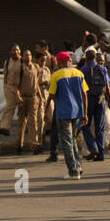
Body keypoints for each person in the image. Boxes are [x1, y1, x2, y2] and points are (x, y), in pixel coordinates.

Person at [48, 51, 89, 180]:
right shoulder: (79, 73)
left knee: (66, 142)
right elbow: (84, 95)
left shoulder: (56, 75)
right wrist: (85, 113)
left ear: (59, 62)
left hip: (63, 112)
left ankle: (73, 171)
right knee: (72, 140)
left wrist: (45, 109)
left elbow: (52, 95)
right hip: (77, 111)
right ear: (69, 61)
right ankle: (78, 166)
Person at [80, 47, 110, 163]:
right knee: (100, 127)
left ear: (86, 59)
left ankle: (93, 148)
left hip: (88, 99)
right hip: (101, 99)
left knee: (84, 125)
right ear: (95, 58)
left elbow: (81, 88)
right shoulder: (102, 69)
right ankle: (101, 154)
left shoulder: (84, 69)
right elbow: (107, 86)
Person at [14, 49, 44, 154]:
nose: (28, 57)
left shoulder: (36, 67)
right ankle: (19, 145)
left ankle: (34, 145)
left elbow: (36, 84)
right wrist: (18, 97)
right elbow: (16, 86)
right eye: (26, 55)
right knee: (22, 122)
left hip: (33, 97)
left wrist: (40, 97)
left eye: (30, 54)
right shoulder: (20, 68)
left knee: (34, 122)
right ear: (22, 57)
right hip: (23, 97)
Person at [0, 44, 23, 137]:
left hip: (21, 88)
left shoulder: (23, 61)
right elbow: (5, 74)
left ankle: (23, 127)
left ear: (20, 51)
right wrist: (5, 86)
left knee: (22, 109)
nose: (15, 52)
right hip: (10, 87)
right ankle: (5, 127)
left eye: (17, 50)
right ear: (10, 52)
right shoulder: (7, 62)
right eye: (13, 50)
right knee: (9, 106)